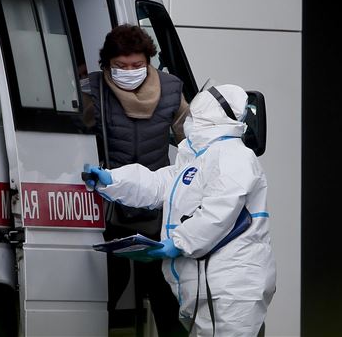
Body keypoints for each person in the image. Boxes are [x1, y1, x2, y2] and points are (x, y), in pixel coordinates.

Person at [84, 84, 276, 337]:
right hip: (208, 286)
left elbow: (218, 212)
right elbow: (158, 184)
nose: (188, 121)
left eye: (194, 115)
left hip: (231, 287)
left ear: (209, 115)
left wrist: (177, 243)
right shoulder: (198, 158)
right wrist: (112, 180)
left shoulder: (233, 156)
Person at [81, 24, 189, 337]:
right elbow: (74, 131)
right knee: (107, 289)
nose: (129, 71)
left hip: (157, 209)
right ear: (107, 64)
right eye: (121, 66)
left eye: (136, 65)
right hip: (107, 208)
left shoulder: (171, 89)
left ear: (148, 61)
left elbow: (190, 141)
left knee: (165, 293)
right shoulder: (92, 89)